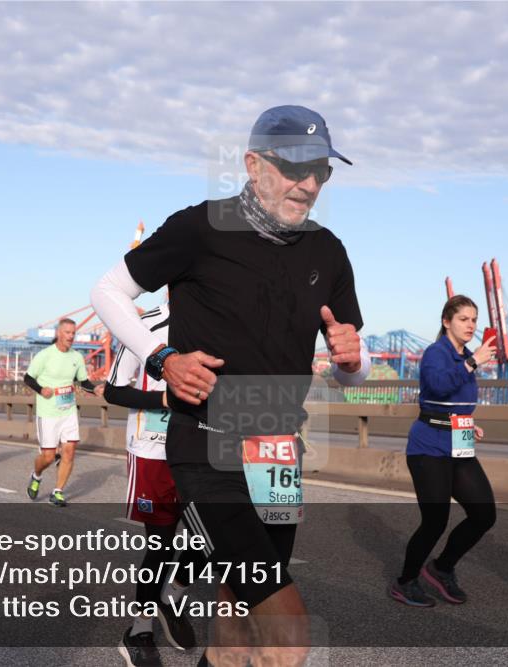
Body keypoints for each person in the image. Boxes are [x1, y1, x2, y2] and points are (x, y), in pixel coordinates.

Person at [92, 105, 368, 667]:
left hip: (278, 451)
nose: (310, 184)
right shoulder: (201, 227)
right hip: (207, 445)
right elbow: (107, 291)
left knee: (237, 613)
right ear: (253, 164)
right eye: (296, 168)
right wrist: (161, 356)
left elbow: (350, 373)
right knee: (287, 632)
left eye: (322, 171)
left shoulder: (328, 250)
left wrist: (351, 360)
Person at [101, 303, 206, 666]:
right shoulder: (142, 326)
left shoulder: (215, 320)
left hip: (201, 446)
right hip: (153, 449)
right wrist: (164, 398)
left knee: (207, 539)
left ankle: (172, 598)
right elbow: (113, 391)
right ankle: (139, 629)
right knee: (160, 545)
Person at [389, 295, 497, 607]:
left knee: (483, 514)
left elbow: (454, 401)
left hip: (458, 442)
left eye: (474, 320)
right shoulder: (436, 353)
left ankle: (441, 568)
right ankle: (405, 582)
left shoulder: (464, 356)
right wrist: (473, 361)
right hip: (428, 446)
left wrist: (467, 423)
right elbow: (436, 387)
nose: (471, 325)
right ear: (446, 321)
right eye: (464, 319)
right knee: (435, 520)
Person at [23, 319, 98, 507]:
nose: (71, 336)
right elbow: (28, 378)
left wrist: (95, 389)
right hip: (48, 413)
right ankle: (36, 475)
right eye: (67, 332)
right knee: (48, 457)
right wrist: (41, 390)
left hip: (69, 411)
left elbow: (83, 381)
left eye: (73, 333)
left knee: (70, 451)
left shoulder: (77, 357)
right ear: (58, 333)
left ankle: (57, 492)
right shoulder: (45, 355)